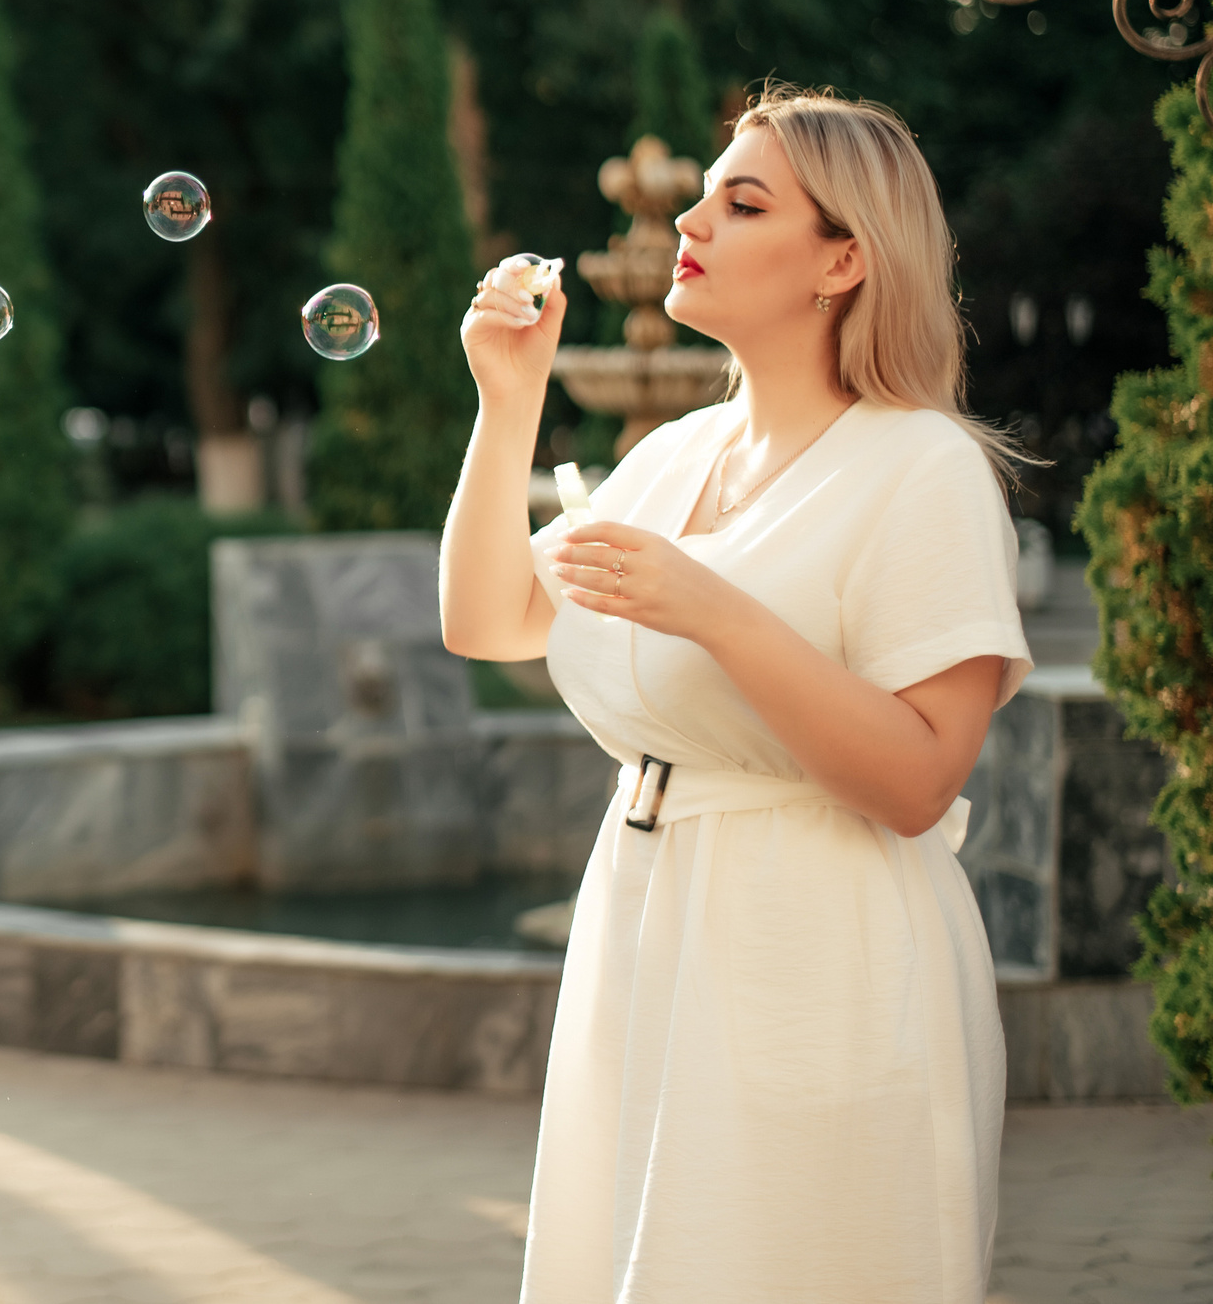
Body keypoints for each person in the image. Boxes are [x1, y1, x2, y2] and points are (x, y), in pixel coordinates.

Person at [438, 87, 1031, 1303]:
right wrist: (508, 400)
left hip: (815, 946)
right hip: (644, 918)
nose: (692, 217)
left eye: (742, 199)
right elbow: (489, 619)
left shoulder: (923, 466)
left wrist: (712, 607)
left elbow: (919, 780)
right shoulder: (670, 458)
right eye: (703, 189)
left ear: (844, 259)